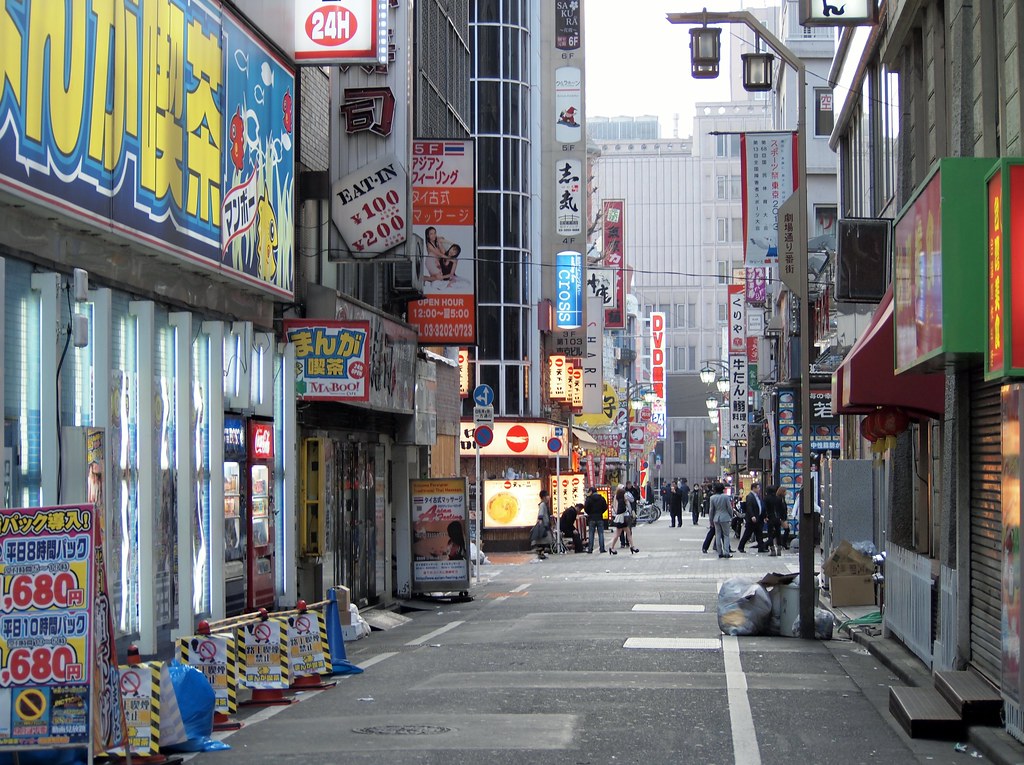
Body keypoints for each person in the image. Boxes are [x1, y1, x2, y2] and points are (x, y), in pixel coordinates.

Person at [607, 486, 639, 555]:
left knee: (627, 532)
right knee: (620, 534)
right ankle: (612, 547)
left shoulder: (619, 499)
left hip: (621, 519)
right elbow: (629, 502)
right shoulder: (622, 501)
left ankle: (632, 546)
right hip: (621, 519)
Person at [737, 482, 766, 553]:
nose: (759, 489)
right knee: (747, 533)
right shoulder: (750, 496)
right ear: (754, 488)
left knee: (759, 534)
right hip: (752, 519)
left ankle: (761, 548)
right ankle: (741, 547)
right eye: (758, 488)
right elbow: (749, 507)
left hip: (758, 518)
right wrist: (752, 516)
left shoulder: (757, 496)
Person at [709, 482, 734, 558]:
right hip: (725, 517)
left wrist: (711, 520)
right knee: (726, 535)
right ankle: (726, 552)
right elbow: (729, 508)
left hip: (716, 518)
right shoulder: (726, 497)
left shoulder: (712, 498)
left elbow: (711, 510)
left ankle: (720, 552)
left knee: (718, 535)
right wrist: (731, 516)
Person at [762, 484, 786, 557]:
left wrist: (765, 517)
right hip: (777, 518)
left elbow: (764, 509)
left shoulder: (766, 498)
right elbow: (782, 509)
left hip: (770, 518)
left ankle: (772, 550)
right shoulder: (778, 498)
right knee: (778, 533)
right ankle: (779, 549)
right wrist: (782, 518)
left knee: (770, 534)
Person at [584, 486, 608, 554]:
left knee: (591, 534)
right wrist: (601, 512)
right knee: (601, 533)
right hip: (599, 517)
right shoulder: (601, 498)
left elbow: (586, 508)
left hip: (591, 518)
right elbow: (605, 507)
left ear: (591, 491)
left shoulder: (589, 499)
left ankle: (590, 549)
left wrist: (589, 513)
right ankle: (602, 548)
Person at [531, 489, 553, 559]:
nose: (549, 497)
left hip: (545, 525)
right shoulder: (542, 504)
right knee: (543, 540)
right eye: (547, 495)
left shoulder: (544, 504)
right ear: (543, 497)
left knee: (544, 541)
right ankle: (540, 553)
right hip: (543, 525)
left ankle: (541, 553)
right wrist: (540, 521)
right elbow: (541, 513)